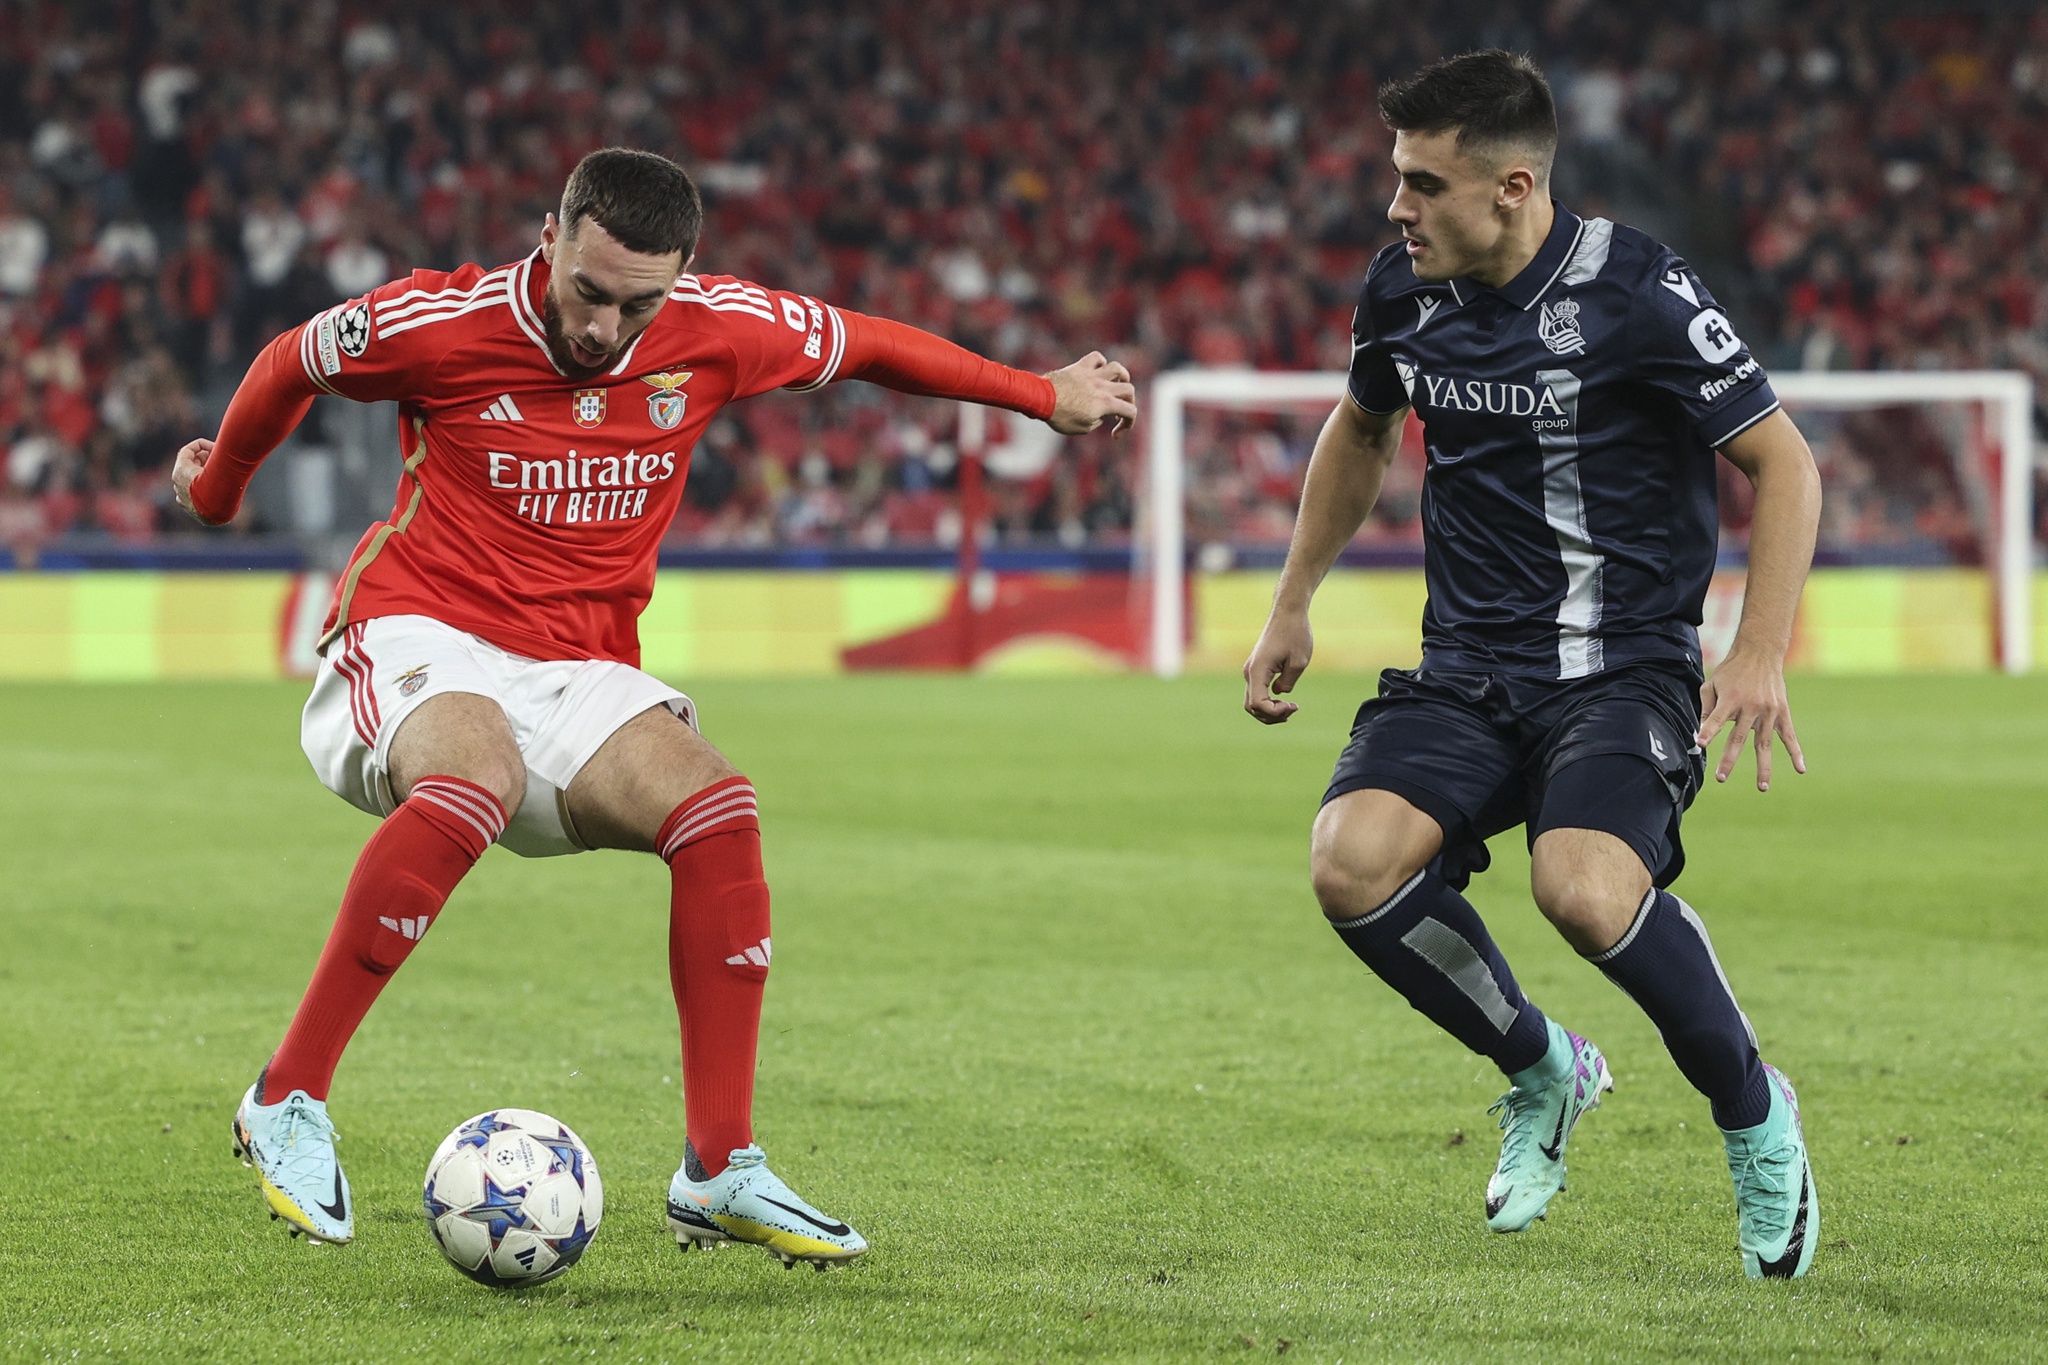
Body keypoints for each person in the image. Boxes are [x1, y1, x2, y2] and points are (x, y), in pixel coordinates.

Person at [175, 147, 1135, 1266]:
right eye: (588, 292)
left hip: (576, 665)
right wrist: (216, 489)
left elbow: (871, 345)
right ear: (550, 239)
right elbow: (291, 360)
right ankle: (285, 1099)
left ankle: (719, 1169)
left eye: (640, 301)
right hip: (417, 625)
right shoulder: (437, 324)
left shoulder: (716, 328)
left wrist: (1042, 395)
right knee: (471, 777)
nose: (604, 327)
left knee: (718, 807)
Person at [1241, 52, 1824, 1279]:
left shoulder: (1638, 293)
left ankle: (1751, 1114)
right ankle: (1541, 1071)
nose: (1394, 209)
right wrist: (1293, 599)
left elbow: (1783, 462)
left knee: (1583, 888)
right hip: (1465, 667)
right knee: (1348, 866)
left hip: (1620, 671)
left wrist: (1756, 652)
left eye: (1421, 183)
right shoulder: (1400, 289)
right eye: (1394, 179)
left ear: (1511, 186)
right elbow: (1362, 424)